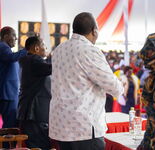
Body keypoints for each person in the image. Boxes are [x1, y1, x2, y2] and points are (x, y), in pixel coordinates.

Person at [49, 12, 124, 150]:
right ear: (94, 31)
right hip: (83, 127)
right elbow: (112, 85)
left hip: (61, 124)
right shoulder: (89, 50)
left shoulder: (59, 50)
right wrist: (120, 85)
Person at [18, 36, 52, 149]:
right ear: (37, 48)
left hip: (29, 111)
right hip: (34, 112)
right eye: (44, 45)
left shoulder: (26, 60)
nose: (46, 48)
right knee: (39, 145)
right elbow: (53, 68)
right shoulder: (34, 60)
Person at [0, 26, 27, 128]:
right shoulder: (2, 46)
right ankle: (7, 144)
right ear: (6, 36)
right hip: (7, 94)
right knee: (10, 126)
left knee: (10, 125)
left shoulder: (5, 48)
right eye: (14, 35)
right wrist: (27, 49)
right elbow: (12, 58)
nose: (16, 38)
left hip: (9, 93)